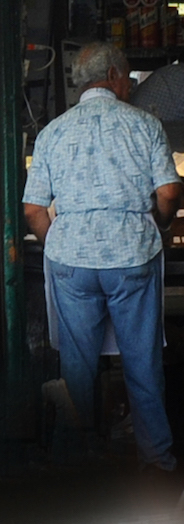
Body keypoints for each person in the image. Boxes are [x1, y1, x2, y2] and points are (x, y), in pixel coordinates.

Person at [21, 41, 180, 475]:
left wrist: (62, 241)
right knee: (142, 362)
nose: (128, 83)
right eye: (126, 76)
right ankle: (156, 458)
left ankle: (74, 458)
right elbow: (168, 193)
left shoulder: (53, 131)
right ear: (111, 76)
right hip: (132, 255)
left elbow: (33, 209)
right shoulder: (145, 125)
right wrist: (160, 225)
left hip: (71, 260)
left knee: (77, 363)